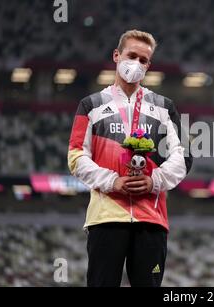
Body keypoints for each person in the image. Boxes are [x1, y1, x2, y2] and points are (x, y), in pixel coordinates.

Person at [67, 29, 192, 287]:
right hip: (106, 217)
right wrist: (113, 181)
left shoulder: (164, 106)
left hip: (151, 218)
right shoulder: (90, 105)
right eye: (131, 55)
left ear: (149, 65)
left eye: (143, 60)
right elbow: (76, 156)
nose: (136, 63)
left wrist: (154, 181)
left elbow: (184, 155)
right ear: (116, 55)